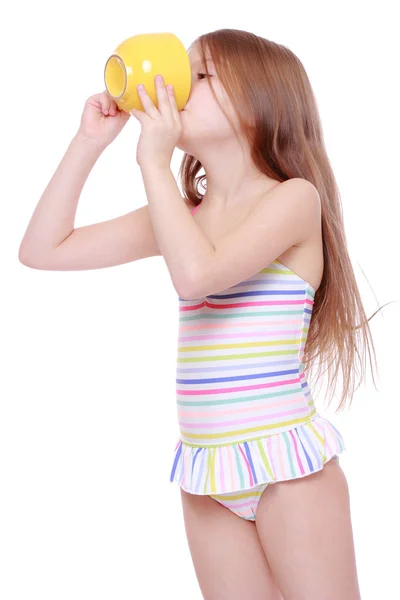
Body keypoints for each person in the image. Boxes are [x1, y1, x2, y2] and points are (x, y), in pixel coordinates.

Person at [19, 28, 389, 600]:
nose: (177, 85)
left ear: (259, 101)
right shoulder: (181, 215)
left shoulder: (292, 199)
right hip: (206, 474)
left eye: (201, 75)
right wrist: (89, 141)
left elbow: (196, 276)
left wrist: (152, 161)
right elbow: (42, 250)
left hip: (284, 469)